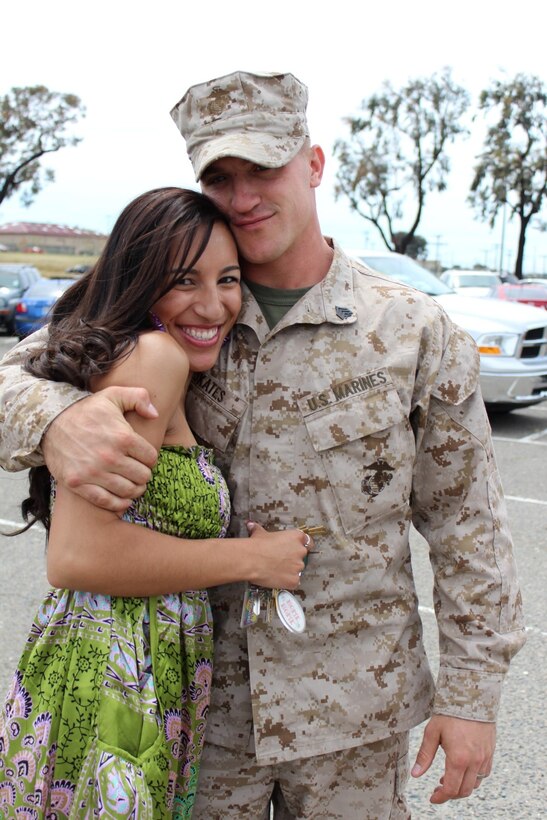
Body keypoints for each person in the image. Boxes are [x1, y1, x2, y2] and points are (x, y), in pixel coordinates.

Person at [0, 72, 525, 819]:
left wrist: (473, 698)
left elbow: (468, 526)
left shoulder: (408, 328)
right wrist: (53, 421)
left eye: (264, 168)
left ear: (312, 164)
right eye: (221, 176)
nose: (243, 195)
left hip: (352, 711)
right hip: (198, 704)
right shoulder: (176, 301)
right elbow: (12, 377)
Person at [0, 185, 309, 819]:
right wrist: (251, 560)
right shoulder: (154, 356)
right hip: (114, 673)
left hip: (140, 668)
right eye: (184, 281)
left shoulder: (153, 355)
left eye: (227, 279)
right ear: (141, 283)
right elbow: (80, 556)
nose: (213, 304)